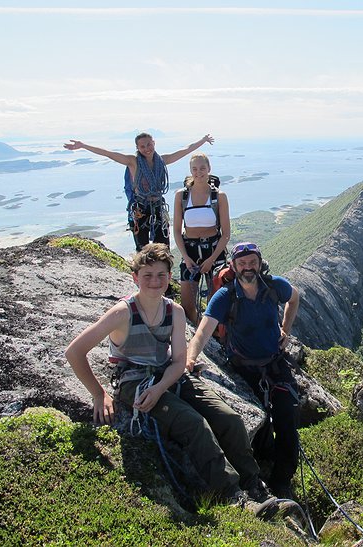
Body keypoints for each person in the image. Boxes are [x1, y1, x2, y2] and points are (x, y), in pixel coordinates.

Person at [64, 243, 285, 516]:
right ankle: (234, 496)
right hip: (135, 382)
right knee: (195, 425)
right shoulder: (123, 313)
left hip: (168, 375)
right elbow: (74, 352)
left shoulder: (174, 311)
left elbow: (180, 361)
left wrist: (160, 387)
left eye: (161, 275)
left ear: (170, 277)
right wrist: (99, 394)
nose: (155, 282)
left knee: (229, 418)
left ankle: (254, 483)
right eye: (147, 275)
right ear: (135, 277)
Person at [186, 241, 301, 499]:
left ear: (259, 263)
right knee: (260, 425)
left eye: (252, 262)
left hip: (274, 363)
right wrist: (190, 358)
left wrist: (286, 329)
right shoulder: (225, 296)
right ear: (233, 266)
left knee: (287, 419)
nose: (248, 268)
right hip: (244, 368)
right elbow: (203, 331)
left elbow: (294, 297)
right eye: (242, 263)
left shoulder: (274, 286)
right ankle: (265, 464)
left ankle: (282, 480)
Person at [64, 133, 214, 251]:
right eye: (142, 146)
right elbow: (108, 153)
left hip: (157, 208)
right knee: (142, 248)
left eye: (149, 144)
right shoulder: (133, 162)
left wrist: (203, 140)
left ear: (154, 143)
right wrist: (83, 145)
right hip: (140, 209)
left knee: (163, 247)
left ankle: (165, 285)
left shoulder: (162, 160)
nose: (147, 148)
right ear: (137, 148)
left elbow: (186, 150)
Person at [173, 153, 230, 323]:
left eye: (202, 168)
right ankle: (200, 335)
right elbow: (177, 230)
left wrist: (211, 260)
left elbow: (226, 233)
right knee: (187, 305)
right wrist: (186, 258)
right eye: (194, 169)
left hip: (214, 250)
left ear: (209, 169)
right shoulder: (181, 196)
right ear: (190, 171)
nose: (198, 172)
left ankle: (214, 337)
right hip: (189, 251)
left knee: (215, 303)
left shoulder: (219, 196)